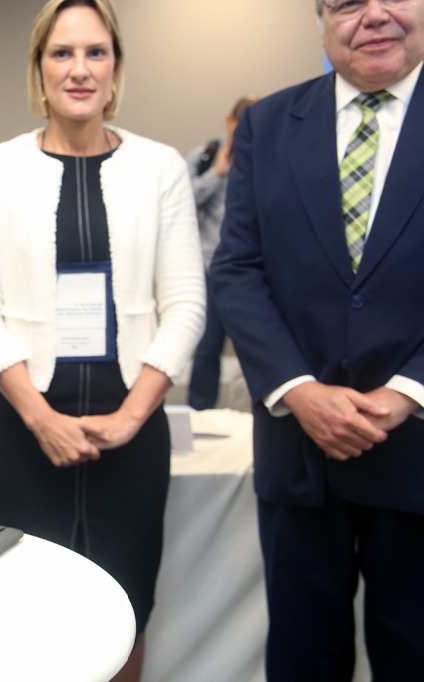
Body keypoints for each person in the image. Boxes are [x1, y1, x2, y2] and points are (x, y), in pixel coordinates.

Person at [0, 1, 204, 680]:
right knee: (34, 617)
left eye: (96, 52)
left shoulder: (160, 168)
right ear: (39, 66)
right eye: (62, 53)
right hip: (26, 434)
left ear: (116, 66)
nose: (80, 69)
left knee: (127, 610)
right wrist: (41, 419)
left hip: (133, 435)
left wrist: (130, 418)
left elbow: (185, 306)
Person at [211, 1, 424, 679]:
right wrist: (300, 392)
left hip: (419, 451)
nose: (375, 15)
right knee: (303, 659)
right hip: (300, 455)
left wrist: (407, 391)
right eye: (349, 1)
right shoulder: (267, 125)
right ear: (322, 17)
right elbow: (237, 271)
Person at [185, 94, 257, 410]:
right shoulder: (205, 156)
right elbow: (182, 204)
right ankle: (200, 416)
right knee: (206, 349)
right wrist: (217, 172)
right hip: (210, 266)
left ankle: (256, 418)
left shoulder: (271, 155)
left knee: (257, 349)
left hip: (255, 272)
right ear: (230, 121)